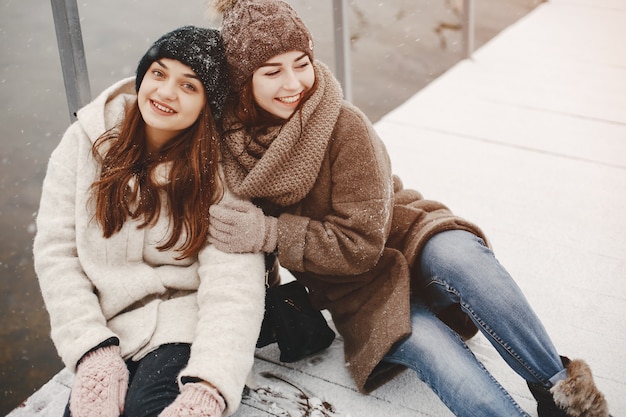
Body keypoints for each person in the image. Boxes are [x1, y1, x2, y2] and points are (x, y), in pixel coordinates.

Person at [205, 1, 612, 416]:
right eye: (272, 72)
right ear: (241, 82)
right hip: (358, 292)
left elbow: (362, 242)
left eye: (302, 63)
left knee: (463, 260)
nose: (294, 83)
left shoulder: (342, 122)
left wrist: (272, 232)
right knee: (435, 350)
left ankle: (565, 396)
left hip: (404, 232)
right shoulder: (232, 153)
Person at [33, 26, 266, 417]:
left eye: (189, 86)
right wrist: (91, 348)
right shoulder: (84, 142)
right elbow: (57, 253)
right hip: (109, 326)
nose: (166, 92)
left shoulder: (220, 169)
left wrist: (209, 385)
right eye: (158, 73)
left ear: (208, 104)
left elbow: (233, 285)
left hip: (186, 322)